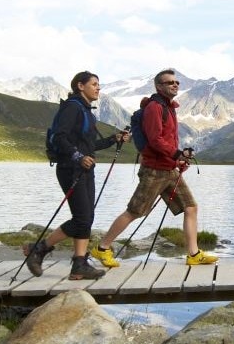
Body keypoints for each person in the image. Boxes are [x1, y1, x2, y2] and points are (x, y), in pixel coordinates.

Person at [92, 69, 218, 267]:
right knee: (135, 211)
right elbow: (155, 140)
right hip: (154, 171)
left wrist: (177, 161)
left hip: (169, 169)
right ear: (159, 86)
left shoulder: (169, 107)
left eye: (176, 82)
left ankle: (193, 254)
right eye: (169, 83)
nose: (175, 85)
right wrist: (178, 154)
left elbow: (164, 141)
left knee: (190, 207)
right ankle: (102, 249)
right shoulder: (154, 107)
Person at [23, 71, 129, 279]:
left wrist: (113, 139)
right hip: (70, 169)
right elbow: (59, 137)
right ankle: (39, 248)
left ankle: (79, 265)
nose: (99, 88)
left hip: (84, 169)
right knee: (82, 218)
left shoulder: (86, 110)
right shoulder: (72, 107)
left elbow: (89, 145)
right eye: (94, 84)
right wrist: (78, 156)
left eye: (99, 84)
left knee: (86, 218)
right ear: (80, 86)